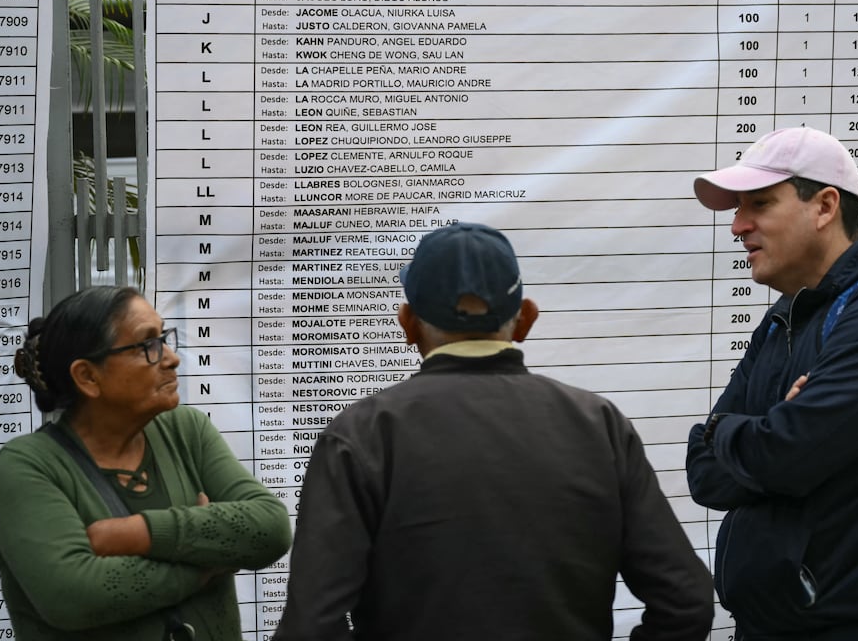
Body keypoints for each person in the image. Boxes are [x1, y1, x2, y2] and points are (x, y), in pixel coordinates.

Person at [273, 221, 714, 641]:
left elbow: (311, 627)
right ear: (525, 318)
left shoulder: (361, 435)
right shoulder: (598, 423)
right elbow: (685, 600)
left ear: (407, 322)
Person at [685, 127, 858, 641]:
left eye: (758, 204)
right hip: (772, 623)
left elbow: (782, 454)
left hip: (854, 628)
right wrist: (751, 434)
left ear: (825, 206)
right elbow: (704, 475)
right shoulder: (788, 315)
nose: (738, 226)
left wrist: (736, 434)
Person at [0, 286, 292, 640]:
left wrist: (135, 534)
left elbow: (270, 527)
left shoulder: (187, 431)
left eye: (163, 337)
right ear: (88, 376)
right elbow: (73, 595)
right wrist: (204, 566)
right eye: (148, 344)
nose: (171, 357)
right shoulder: (27, 466)